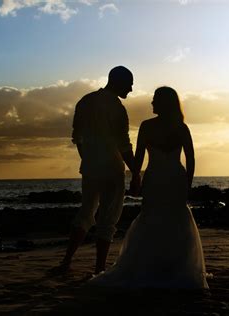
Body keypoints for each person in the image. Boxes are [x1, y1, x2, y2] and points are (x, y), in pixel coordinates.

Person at [88, 86, 209, 289]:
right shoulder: (181, 127)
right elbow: (190, 158)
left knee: (152, 217)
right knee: (175, 219)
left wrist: (135, 177)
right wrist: (187, 182)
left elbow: (139, 159)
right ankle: (176, 266)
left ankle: (151, 264)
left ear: (163, 103)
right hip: (175, 177)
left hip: (154, 178)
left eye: (155, 100)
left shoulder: (147, 126)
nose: (151, 103)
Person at [52, 66, 141, 275]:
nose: (131, 89)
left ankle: (67, 262)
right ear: (118, 81)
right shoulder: (118, 109)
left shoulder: (85, 101)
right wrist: (136, 171)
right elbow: (124, 145)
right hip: (112, 167)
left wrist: (88, 158)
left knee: (85, 212)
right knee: (108, 219)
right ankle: (99, 268)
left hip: (91, 167)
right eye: (129, 84)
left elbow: (78, 137)